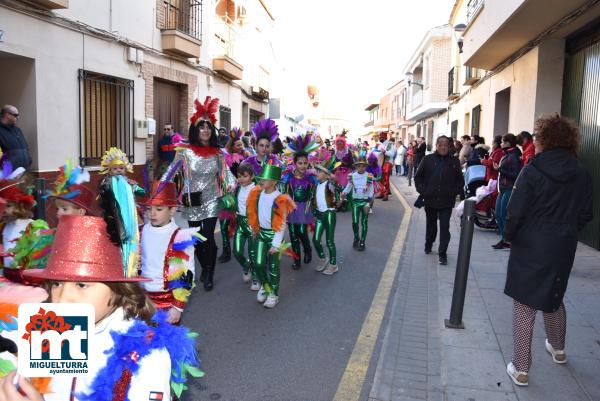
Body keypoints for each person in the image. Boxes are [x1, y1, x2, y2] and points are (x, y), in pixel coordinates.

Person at [10, 215, 201, 401]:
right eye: (57, 283)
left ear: (118, 289)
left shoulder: (146, 354)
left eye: (82, 285)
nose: (61, 300)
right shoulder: (47, 329)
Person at [503, 114, 593, 387]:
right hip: (562, 244)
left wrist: (509, 236)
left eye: (538, 136)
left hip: (531, 243)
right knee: (554, 296)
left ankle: (520, 368)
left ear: (545, 140)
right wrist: (566, 230)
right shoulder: (581, 172)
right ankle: (558, 348)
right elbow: (586, 213)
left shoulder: (533, 169)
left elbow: (515, 211)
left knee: (524, 304)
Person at [161, 96, 236, 291]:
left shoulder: (218, 152)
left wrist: (234, 185)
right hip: (191, 200)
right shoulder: (184, 151)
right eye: (202, 127)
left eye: (208, 127)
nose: (205, 130)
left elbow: (225, 173)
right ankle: (205, 265)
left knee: (208, 236)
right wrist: (159, 188)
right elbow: (171, 171)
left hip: (211, 199)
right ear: (196, 129)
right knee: (196, 238)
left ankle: (209, 272)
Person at [140, 181, 199, 324]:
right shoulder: (141, 231)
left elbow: (187, 272)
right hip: (143, 299)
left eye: (159, 209)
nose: (152, 213)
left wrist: (178, 307)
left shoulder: (180, 237)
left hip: (167, 300)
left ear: (172, 210)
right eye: (150, 209)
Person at [246, 163, 295, 309]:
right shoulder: (258, 193)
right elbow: (254, 211)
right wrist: (254, 227)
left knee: (274, 268)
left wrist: (276, 244)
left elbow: (281, 223)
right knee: (258, 264)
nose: (261, 181)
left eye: (265, 179)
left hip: (274, 236)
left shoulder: (280, 198)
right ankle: (265, 286)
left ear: (274, 182)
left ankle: (273, 294)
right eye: (261, 179)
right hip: (261, 233)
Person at [414, 136, 464, 265]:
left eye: (446, 145)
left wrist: (453, 193)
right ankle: (429, 243)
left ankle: (442, 253)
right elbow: (418, 178)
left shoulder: (454, 161)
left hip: (446, 201)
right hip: (430, 199)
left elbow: (460, 181)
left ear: (449, 146)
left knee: (444, 227)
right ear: (436, 145)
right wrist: (424, 192)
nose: (443, 147)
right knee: (431, 226)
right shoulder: (427, 159)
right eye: (440, 145)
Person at [281, 134, 320, 270]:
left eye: (305, 163)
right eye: (300, 163)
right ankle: (296, 259)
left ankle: (307, 249)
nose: (303, 166)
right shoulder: (288, 177)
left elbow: (320, 186)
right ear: (294, 163)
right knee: (293, 234)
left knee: (302, 232)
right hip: (292, 209)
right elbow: (282, 191)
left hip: (304, 209)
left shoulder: (311, 178)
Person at [217, 127, 247, 264]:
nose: (241, 147)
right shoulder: (224, 157)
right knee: (223, 225)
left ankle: (240, 248)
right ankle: (226, 250)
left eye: (242, 144)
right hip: (228, 193)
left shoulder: (246, 156)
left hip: (241, 193)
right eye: (238, 145)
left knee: (241, 223)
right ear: (232, 146)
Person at [232, 162, 260, 290]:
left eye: (244, 176)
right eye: (239, 176)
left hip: (252, 223)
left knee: (253, 252)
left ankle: (255, 278)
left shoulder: (257, 190)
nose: (241, 179)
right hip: (240, 223)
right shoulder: (237, 188)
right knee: (237, 251)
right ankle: (246, 265)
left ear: (252, 177)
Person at [492, 134, 522, 250]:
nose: (501, 144)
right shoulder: (508, 154)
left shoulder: (514, 156)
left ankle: (507, 240)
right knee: (499, 214)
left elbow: (516, 174)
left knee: (503, 214)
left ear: (509, 143)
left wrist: (499, 169)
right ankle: (505, 239)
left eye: (503, 142)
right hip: (503, 188)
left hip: (509, 188)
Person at [340, 151, 374, 251]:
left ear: (365, 166)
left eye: (363, 166)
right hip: (355, 202)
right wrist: (343, 193)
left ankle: (362, 242)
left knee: (364, 222)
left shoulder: (369, 176)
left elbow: (371, 190)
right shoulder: (352, 176)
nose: (361, 168)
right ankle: (356, 238)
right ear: (356, 166)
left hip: (365, 202)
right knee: (355, 222)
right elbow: (348, 187)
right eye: (359, 166)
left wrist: (370, 201)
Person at [312, 155, 339, 275]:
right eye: (317, 171)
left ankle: (333, 264)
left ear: (326, 174)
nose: (316, 173)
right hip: (319, 214)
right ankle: (323, 258)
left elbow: (336, 187)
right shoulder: (317, 184)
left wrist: (333, 180)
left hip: (329, 214)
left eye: (319, 171)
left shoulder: (329, 184)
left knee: (329, 241)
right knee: (316, 239)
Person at [0, 105, 32, 170]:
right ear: (7, 115)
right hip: (8, 175)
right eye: (15, 115)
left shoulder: (18, 130)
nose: (18, 117)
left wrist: (29, 159)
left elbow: (25, 147)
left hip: (23, 173)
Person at [333, 133, 354, 211]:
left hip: (346, 172)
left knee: (345, 189)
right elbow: (333, 163)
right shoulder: (335, 152)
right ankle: (338, 204)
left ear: (344, 143)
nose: (339, 143)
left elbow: (352, 163)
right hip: (338, 172)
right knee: (337, 189)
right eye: (338, 142)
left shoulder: (348, 152)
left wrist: (345, 163)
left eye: (341, 142)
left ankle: (345, 205)